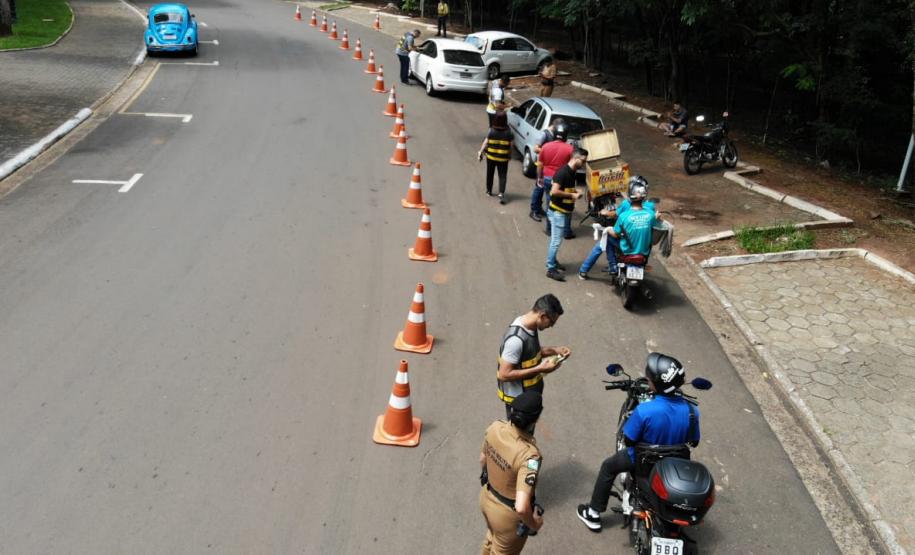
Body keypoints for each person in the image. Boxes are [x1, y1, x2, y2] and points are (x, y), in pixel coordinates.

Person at [576, 352, 699, 532]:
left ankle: (593, 513)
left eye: (649, 380)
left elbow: (629, 440)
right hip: (674, 467)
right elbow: (694, 441)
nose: (648, 382)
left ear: (657, 385)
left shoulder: (644, 411)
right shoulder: (691, 410)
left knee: (608, 466)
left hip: (642, 463)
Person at [479, 390, 545, 555]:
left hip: (486, 498)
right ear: (535, 419)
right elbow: (522, 507)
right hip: (507, 517)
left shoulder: (495, 427)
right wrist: (534, 524)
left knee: (490, 540)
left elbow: (482, 459)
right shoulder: (530, 456)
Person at [497, 294, 571, 419]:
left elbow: (530, 351)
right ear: (542, 316)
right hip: (519, 405)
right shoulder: (515, 340)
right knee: (519, 438)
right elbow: (503, 374)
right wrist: (540, 369)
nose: (551, 326)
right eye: (551, 322)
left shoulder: (530, 326)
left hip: (529, 398)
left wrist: (555, 350)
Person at [578, 176, 657, 280]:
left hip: (628, 245)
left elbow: (615, 222)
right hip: (644, 249)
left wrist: (606, 225)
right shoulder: (651, 210)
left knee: (605, 240)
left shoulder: (625, 212)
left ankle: (610, 267)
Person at [545, 149, 587, 281]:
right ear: (576, 158)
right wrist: (572, 195)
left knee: (556, 240)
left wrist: (575, 191)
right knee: (556, 241)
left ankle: (553, 261)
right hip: (558, 212)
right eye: (583, 161)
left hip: (563, 211)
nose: (584, 164)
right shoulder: (563, 172)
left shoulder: (572, 172)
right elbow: (554, 191)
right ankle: (550, 268)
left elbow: (565, 188)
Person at [603, 178, 656, 275]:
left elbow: (616, 234)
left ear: (629, 198)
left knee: (608, 237)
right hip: (643, 252)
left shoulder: (624, 216)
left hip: (627, 250)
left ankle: (613, 266)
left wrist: (607, 230)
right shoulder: (651, 214)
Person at [536, 125, 573, 237]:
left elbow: (540, 165)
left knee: (550, 203)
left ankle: (549, 229)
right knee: (566, 204)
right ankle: (566, 232)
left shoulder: (546, 146)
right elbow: (572, 167)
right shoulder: (570, 149)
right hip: (564, 180)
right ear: (566, 136)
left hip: (547, 178)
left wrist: (539, 177)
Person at [528, 118, 564, 222]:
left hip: (549, 166)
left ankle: (539, 208)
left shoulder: (554, 134)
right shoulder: (545, 134)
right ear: (554, 126)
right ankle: (533, 210)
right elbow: (535, 148)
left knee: (543, 189)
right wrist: (548, 151)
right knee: (539, 189)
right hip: (541, 166)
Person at [479, 111, 514, 204]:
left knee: (490, 174)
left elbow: (485, 142)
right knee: (502, 176)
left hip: (491, 157)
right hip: (503, 158)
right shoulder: (509, 131)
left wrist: (480, 152)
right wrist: (510, 155)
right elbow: (511, 146)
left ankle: (489, 191)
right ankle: (501, 193)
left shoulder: (491, 130)